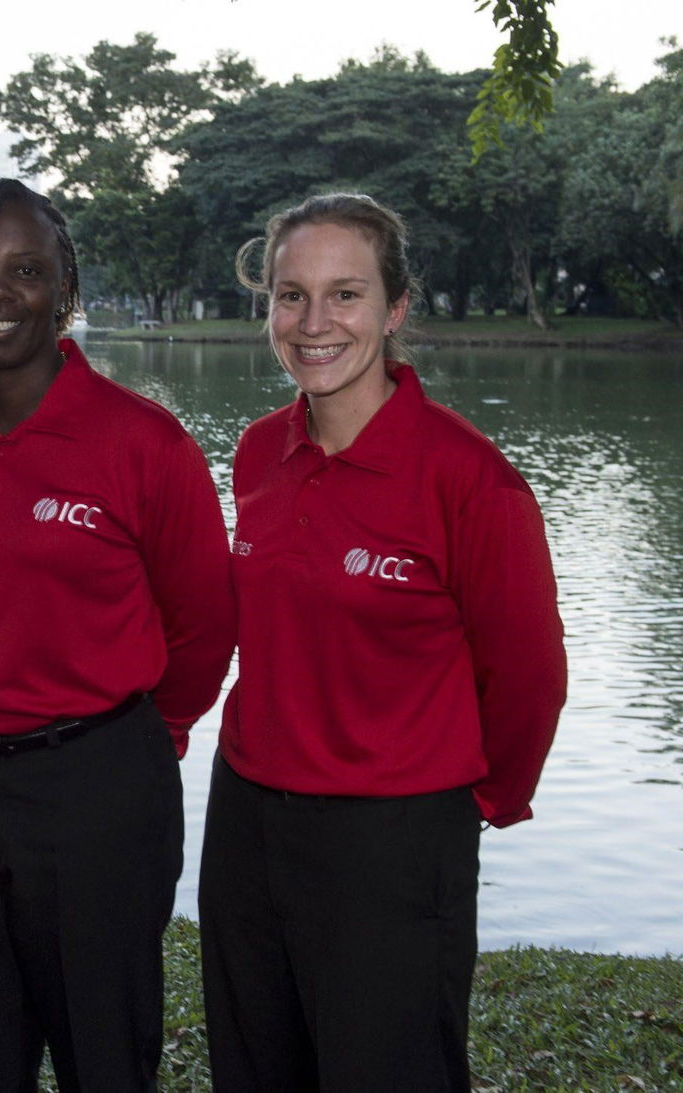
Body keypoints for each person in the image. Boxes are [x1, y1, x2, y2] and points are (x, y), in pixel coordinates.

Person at [199, 192, 566, 1091]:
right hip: (248, 818)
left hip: (393, 836)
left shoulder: (470, 479)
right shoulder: (256, 453)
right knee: (254, 1064)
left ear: (396, 309)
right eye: (291, 296)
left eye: (346, 295)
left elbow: (528, 677)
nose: (314, 323)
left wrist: (463, 803)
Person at [0, 178, 236, 1092]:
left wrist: (139, 740)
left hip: (98, 788)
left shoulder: (145, 443)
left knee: (105, 1057)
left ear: (64, 286)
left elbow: (204, 625)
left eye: (26, 270)